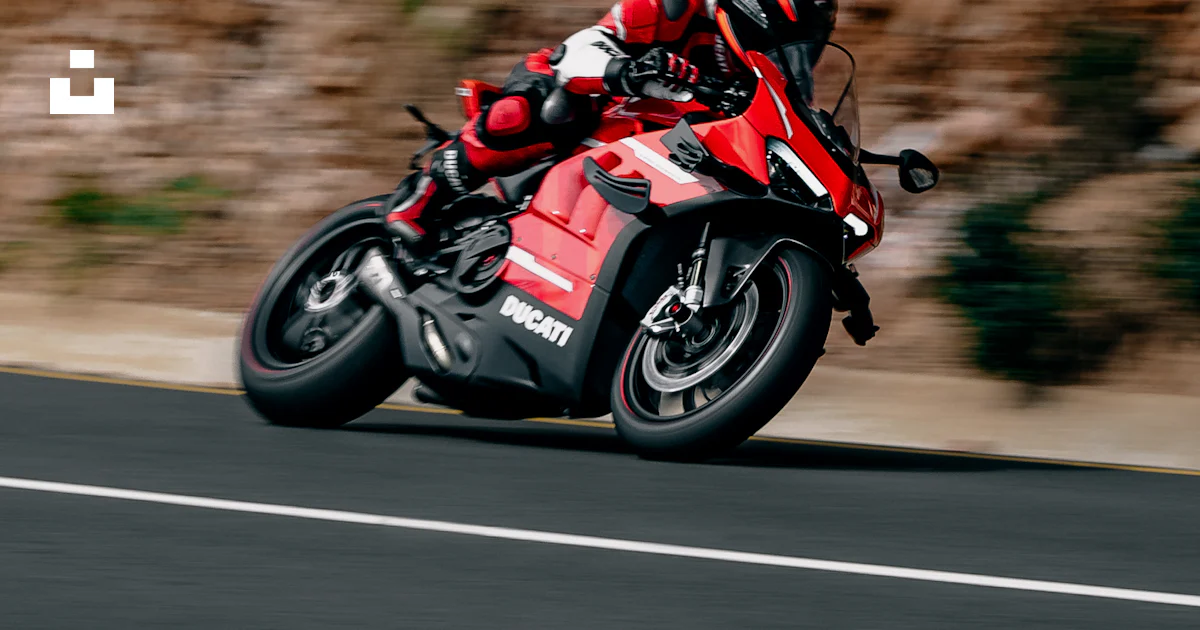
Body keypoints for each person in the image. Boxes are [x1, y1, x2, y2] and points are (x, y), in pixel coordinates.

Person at [385, 0, 839, 248]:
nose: (789, 61)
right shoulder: (672, 8)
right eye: (781, 44)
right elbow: (583, 47)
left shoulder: (768, 93)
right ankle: (424, 195)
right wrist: (627, 72)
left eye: (802, 52)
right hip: (595, 109)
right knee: (532, 110)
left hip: (659, 171)